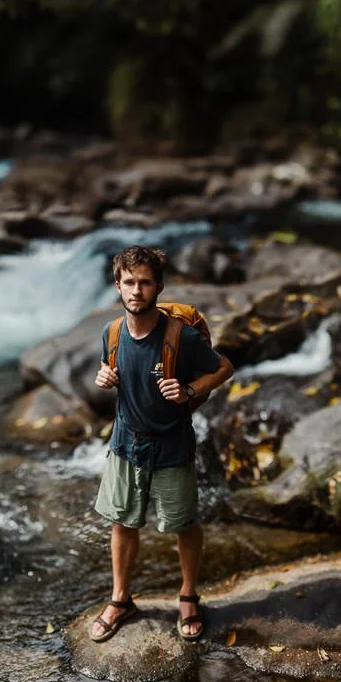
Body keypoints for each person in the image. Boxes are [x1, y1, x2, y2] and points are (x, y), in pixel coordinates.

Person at [89, 245, 233, 642]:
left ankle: (188, 596)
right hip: (125, 445)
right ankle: (120, 598)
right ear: (118, 286)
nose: (137, 290)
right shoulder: (112, 332)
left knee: (183, 524)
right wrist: (105, 377)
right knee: (122, 521)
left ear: (158, 287)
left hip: (172, 447)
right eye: (129, 282)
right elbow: (113, 369)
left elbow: (224, 367)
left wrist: (189, 389)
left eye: (145, 282)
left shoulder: (181, 337)